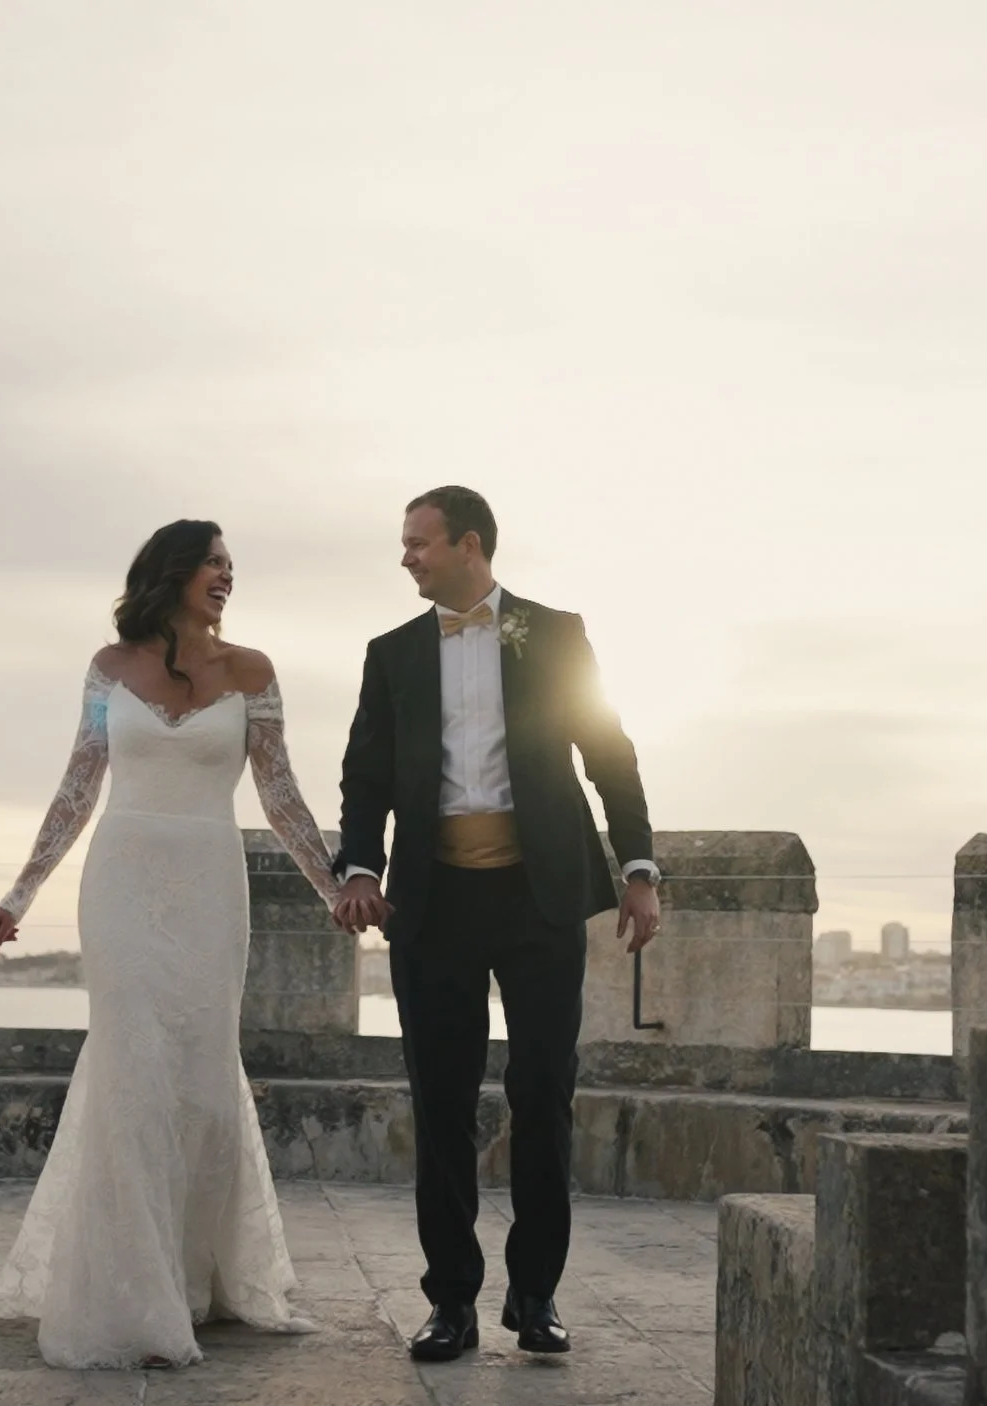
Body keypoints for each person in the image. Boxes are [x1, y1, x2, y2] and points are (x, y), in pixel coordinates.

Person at [0, 519, 344, 1369]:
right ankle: (129, 1294)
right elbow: (78, 783)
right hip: (124, 884)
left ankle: (193, 1273)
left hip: (213, 884)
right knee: (132, 1071)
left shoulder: (254, 672)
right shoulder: (109, 669)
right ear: (172, 572)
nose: (226, 574)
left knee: (204, 1078)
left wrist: (334, 889)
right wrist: (19, 890)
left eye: (230, 565)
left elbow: (280, 793)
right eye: (213, 562)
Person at [330, 486, 660, 1361]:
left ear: (468, 545)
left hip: (539, 899)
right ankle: (452, 1304)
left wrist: (638, 869)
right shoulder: (391, 652)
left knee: (543, 1095)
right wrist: (360, 866)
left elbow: (608, 751)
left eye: (418, 543)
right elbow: (364, 775)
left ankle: (536, 1294)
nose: (406, 557)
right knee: (441, 1104)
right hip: (432, 905)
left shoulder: (552, 633)